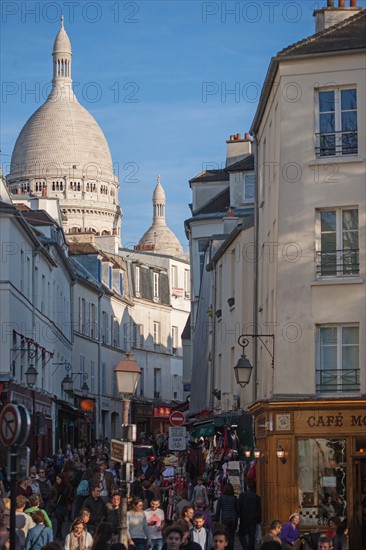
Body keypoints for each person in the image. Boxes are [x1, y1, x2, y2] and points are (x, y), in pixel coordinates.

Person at [238, 481, 261, 550]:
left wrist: (239, 515)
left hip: (244, 517)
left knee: (241, 534)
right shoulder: (256, 496)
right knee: (252, 535)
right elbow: (259, 508)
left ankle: (246, 548)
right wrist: (259, 518)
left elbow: (239, 506)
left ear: (247, 487)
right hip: (254, 517)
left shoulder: (242, 495)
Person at [214, 484, 238, 550]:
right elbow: (237, 509)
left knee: (224, 535)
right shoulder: (234, 498)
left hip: (225, 519)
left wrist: (216, 519)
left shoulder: (221, 498)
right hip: (233, 519)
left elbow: (218, 510)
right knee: (232, 536)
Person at [50, 474, 68, 540]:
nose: (57, 480)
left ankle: (58, 533)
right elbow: (51, 496)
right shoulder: (54, 487)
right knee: (59, 519)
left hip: (63, 504)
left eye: (58, 479)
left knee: (61, 520)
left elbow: (68, 495)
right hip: (57, 505)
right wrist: (52, 503)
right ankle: (59, 533)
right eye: (56, 479)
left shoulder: (66, 486)